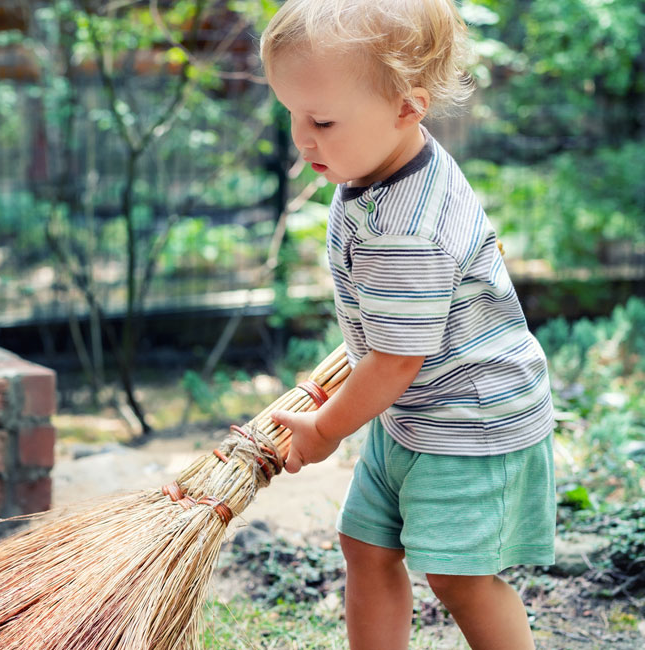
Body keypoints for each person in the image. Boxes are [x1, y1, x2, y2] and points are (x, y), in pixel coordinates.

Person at [260, 1, 557, 649]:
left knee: (456, 575)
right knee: (365, 544)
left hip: (469, 422)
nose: (302, 138)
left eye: (322, 120)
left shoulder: (407, 233)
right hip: (416, 409)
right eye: (292, 113)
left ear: (407, 107)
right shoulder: (380, 159)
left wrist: (324, 429)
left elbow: (397, 361)